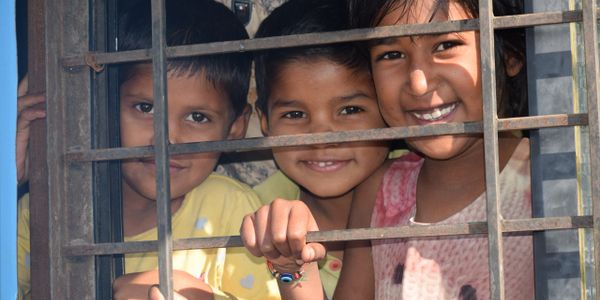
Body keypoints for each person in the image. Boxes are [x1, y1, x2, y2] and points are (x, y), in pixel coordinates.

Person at [242, 0, 534, 299]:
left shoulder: (546, 180)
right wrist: (291, 267)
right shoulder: (381, 191)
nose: (418, 83)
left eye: (445, 45)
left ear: (510, 54)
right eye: (392, 54)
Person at [17, 0, 280, 299]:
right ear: (101, 105)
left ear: (235, 128)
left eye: (198, 117)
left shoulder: (233, 210)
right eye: (146, 107)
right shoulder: (47, 208)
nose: (166, 138)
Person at [241, 0, 389, 298]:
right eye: (295, 115)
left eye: (349, 110)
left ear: (387, 106)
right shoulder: (252, 217)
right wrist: (288, 266)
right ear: (265, 122)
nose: (320, 138)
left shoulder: (423, 187)